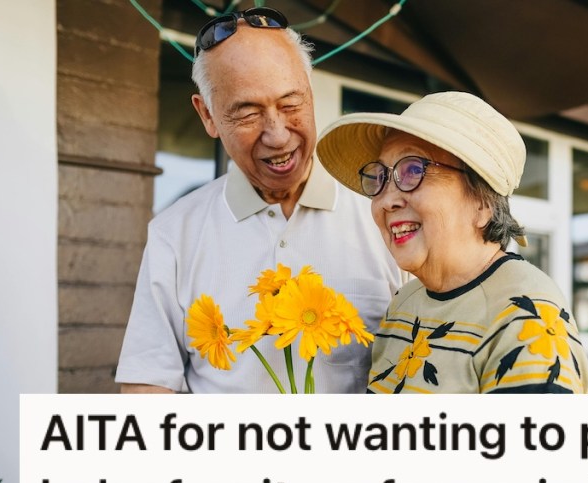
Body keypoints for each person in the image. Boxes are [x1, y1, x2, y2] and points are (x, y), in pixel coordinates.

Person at [115, 7, 402, 393]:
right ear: (208, 116)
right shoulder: (174, 233)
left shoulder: (385, 215)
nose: (278, 135)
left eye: (290, 104)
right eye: (247, 113)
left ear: (310, 92)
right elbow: (147, 387)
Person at [317, 91, 588, 394]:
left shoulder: (528, 318)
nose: (387, 200)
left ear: (481, 203)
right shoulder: (404, 304)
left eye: (413, 170)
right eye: (380, 176)